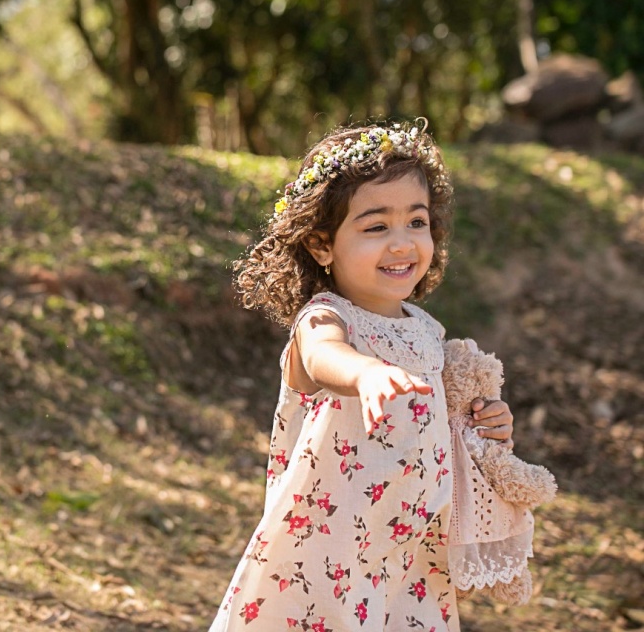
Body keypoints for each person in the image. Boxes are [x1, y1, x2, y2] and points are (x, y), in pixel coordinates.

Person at [207, 123, 516, 631]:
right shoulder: (326, 319)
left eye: (416, 222)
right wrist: (366, 373)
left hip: (408, 552)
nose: (402, 243)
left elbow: (442, 427)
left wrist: (486, 425)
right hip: (326, 551)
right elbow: (325, 357)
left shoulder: (426, 331)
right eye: (376, 228)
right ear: (322, 245)